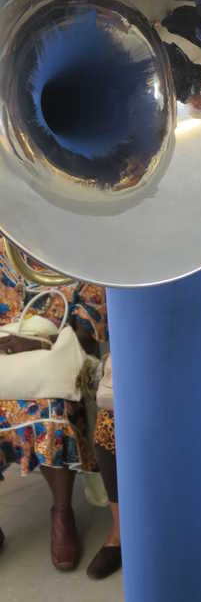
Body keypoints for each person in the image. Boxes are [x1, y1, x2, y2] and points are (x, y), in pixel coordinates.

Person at [86, 256, 201, 580]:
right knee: (109, 425)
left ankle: (196, 550)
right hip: (159, 372)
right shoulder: (156, 264)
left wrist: (198, 360)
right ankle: (121, 535)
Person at [0, 236, 107, 570]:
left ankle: (62, 511)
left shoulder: (77, 246)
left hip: (54, 360)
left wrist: (35, 342)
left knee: (50, 410)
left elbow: (88, 332)